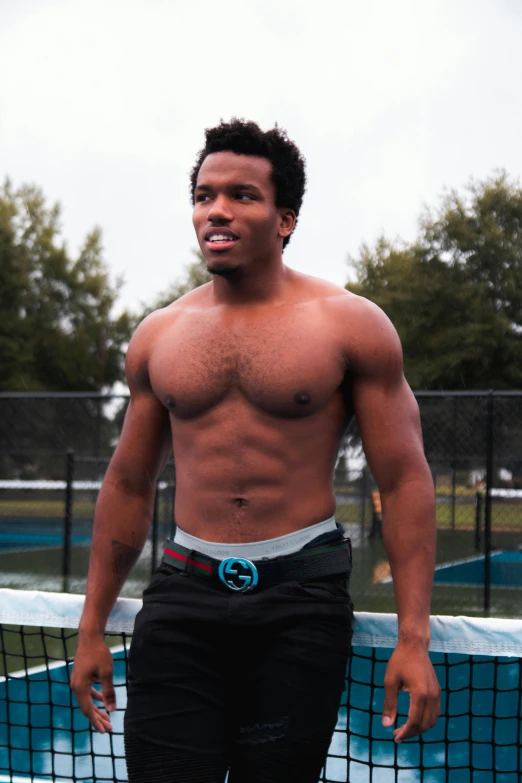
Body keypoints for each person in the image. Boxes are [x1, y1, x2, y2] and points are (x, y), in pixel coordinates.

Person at [71, 119, 440, 782]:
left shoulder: (350, 324)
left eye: (242, 194)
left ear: (285, 218)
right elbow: (128, 482)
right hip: (184, 596)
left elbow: (407, 479)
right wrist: (91, 623)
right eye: (204, 194)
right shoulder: (159, 336)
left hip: (300, 601)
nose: (217, 209)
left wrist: (414, 636)